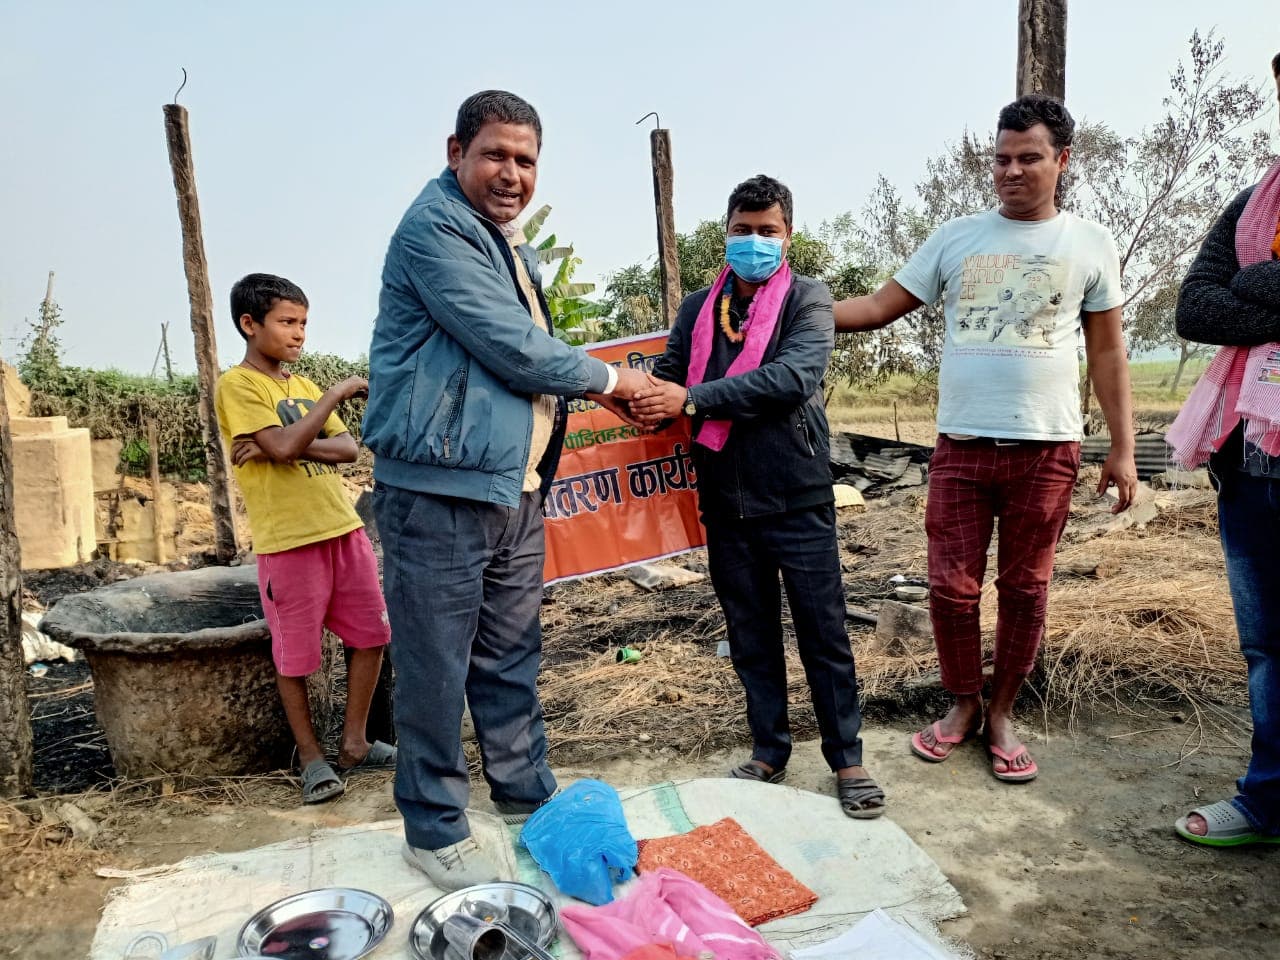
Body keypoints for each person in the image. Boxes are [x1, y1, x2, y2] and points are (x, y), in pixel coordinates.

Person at [362, 90, 650, 890]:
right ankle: (433, 827)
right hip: (440, 492)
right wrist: (615, 381)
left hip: (510, 488)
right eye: (495, 154)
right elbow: (512, 344)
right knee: (435, 666)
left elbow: (522, 354)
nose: (511, 173)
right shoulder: (436, 230)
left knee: (509, 654)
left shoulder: (499, 240)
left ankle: (524, 796)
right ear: (455, 151)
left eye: (526, 160)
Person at [833, 95, 1137, 782]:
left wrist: (1122, 448)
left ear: (1062, 160)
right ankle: (963, 704)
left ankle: (1002, 711)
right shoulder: (956, 239)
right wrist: (793, 305)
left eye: (1029, 158)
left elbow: (1108, 351)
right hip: (962, 449)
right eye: (1001, 159)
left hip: (1047, 451)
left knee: (1026, 590)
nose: (1011, 171)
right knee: (950, 588)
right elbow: (878, 307)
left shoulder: (1090, 243)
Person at [631, 175, 885, 819]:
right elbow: (669, 374)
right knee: (750, 634)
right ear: (725, 234)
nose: (754, 241)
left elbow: (792, 378)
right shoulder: (698, 308)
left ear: (787, 236)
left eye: (767, 231)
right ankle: (769, 749)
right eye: (742, 230)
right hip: (724, 500)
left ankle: (847, 759)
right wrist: (637, 396)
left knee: (823, 633)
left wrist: (691, 399)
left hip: (797, 496)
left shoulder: (809, 298)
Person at [214, 272, 394, 806]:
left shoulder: (302, 387)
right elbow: (288, 445)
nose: (299, 334)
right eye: (287, 322)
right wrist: (334, 397)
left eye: (304, 323)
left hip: (343, 529)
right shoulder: (239, 386)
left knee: (372, 635)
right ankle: (313, 758)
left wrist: (285, 444)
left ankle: (355, 743)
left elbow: (347, 450)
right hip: (289, 541)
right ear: (250, 324)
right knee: (296, 656)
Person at [1167, 52, 1280, 848]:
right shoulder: (1253, 206)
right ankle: (1269, 800)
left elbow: (1231, 293)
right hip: (1249, 460)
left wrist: (1256, 283)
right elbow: (1194, 307)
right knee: (1269, 643)